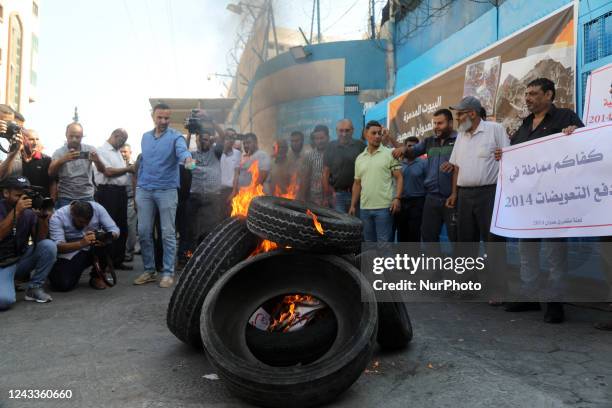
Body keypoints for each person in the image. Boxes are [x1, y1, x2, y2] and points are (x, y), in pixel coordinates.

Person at [496, 78, 584, 323]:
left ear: (549, 94)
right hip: (528, 201)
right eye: (526, 94)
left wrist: (575, 134)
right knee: (528, 250)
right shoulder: (524, 125)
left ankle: (555, 303)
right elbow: (515, 156)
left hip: (555, 198)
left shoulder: (566, 118)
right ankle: (529, 296)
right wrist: (503, 156)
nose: (527, 98)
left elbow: (586, 147)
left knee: (555, 251)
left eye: (533, 93)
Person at [448, 96, 509, 299]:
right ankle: (467, 285)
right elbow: (456, 166)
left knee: (493, 243)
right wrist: (455, 193)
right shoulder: (461, 135)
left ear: (472, 114)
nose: (457, 119)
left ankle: (498, 290)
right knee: (466, 242)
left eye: (459, 115)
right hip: (464, 195)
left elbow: (508, 158)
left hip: (489, 194)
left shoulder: (495, 129)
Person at [133, 103, 194, 288]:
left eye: (167, 118)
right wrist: (138, 188)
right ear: (153, 116)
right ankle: (150, 270)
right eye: (160, 117)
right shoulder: (145, 137)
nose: (163, 121)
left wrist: (188, 159)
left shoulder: (176, 137)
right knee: (143, 232)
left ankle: (168, 273)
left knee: (167, 233)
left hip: (167, 190)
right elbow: (143, 162)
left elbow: (182, 151)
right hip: (144, 190)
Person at [392, 109, 458, 243]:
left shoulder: (460, 140)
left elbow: (466, 163)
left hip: (452, 199)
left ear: (450, 123)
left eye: (440, 123)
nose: (436, 127)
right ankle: (434, 264)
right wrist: (404, 149)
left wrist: (453, 164)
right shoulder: (429, 141)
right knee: (428, 238)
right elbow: (411, 153)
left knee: (456, 239)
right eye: (434, 123)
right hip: (431, 198)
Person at [0, 176, 56, 309]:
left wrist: (43, 218)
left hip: (19, 260)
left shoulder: (29, 212)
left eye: (25, 194)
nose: (23, 199)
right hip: (2, 264)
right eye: (18, 195)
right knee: (4, 301)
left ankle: (34, 288)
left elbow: (40, 241)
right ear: (6, 193)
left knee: (48, 246)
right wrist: (17, 211)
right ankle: (6, 282)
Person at [350, 120, 402, 242]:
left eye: (379, 133)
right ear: (365, 134)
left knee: (384, 247)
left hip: (384, 208)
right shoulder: (360, 158)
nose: (378, 136)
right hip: (365, 209)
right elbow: (357, 184)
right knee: (369, 246)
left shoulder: (390, 153)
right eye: (374, 133)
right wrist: (353, 205)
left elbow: (399, 177)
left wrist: (397, 198)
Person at [49, 201, 119, 291]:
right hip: (70, 252)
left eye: (88, 222)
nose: (85, 225)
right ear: (72, 214)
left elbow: (115, 230)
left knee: (109, 241)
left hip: (92, 248)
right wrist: (81, 243)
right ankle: (59, 271)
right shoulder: (58, 217)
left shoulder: (98, 209)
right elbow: (58, 247)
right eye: (81, 222)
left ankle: (97, 276)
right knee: (62, 285)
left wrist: (105, 238)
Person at [180, 129, 224, 261]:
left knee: (210, 227)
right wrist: (189, 134)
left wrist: (211, 122)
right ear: (197, 140)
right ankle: (188, 256)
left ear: (210, 140)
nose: (203, 142)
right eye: (201, 139)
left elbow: (222, 136)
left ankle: (208, 257)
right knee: (190, 228)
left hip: (213, 197)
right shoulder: (191, 154)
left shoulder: (216, 153)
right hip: (195, 196)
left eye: (206, 139)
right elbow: (186, 163)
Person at [94, 129, 135, 271]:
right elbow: (108, 171)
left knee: (122, 226)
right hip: (108, 192)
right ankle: (106, 262)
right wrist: (128, 169)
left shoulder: (118, 152)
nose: (123, 143)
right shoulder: (101, 150)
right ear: (116, 136)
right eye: (123, 139)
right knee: (108, 227)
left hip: (120, 192)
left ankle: (118, 260)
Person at [49, 123, 106, 209]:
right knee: (66, 222)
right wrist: (62, 160)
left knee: (88, 222)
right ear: (66, 135)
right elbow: (50, 173)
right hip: (66, 197)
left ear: (82, 136)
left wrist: (97, 160)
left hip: (87, 196)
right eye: (71, 136)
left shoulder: (90, 149)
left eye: (78, 137)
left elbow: (102, 170)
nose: (74, 139)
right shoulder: (59, 152)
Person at [323, 119, 366, 213]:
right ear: (336, 131)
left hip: (358, 195)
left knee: (357, 225)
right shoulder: (331, 147)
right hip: (338, 196)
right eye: (341, 130)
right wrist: (327, 196)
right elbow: (326, 173)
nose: (344, 134)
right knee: (341, 225)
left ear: (353, 130)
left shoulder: (360, 146)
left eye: (347, 130)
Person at [395, 137, 427, 242]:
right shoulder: (398, 164)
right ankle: (403, 258)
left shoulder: (424, 163)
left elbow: (427, 183)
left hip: (417, 203)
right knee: (402, 234)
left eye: (414, 146)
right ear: (405, 147)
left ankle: (414, 258)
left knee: (414, 234)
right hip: (401, 202)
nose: (411, 148)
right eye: (409, 146)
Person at [299, 124, 331, 206]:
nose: (319, 141)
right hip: (314, 198)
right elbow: (305, 178)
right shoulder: (309, 156)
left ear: (328, 137)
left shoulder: (334, 153)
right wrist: (302, 197)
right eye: (317, 138)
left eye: (322, 138)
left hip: (332, 198)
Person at [120, 143, 139, 262]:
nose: (123, 154)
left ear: (130, 152)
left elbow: (136, 181)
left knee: (131, 227)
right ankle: (121, 252)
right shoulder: (118, 164)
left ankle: (128, 252)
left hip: (132, 199)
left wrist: (136, 200)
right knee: (121, 226)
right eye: (121, 152)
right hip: (119, 198)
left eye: (125, 152)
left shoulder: (135, 165)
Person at [219, 130, 241, 213]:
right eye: (228, 137)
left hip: (230, 190)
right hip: (217, 191)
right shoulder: (217, 152)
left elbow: (236, 174)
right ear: (224, 138)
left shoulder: (237, 153)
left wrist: (234, 192)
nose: (231, 140)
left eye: (233, 137)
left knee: (229, 215)